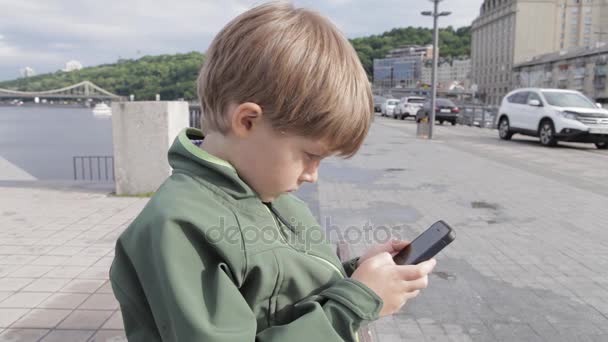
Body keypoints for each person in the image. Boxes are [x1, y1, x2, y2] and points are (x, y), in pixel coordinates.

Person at [109, 2, 436, 341]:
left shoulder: (270, 194)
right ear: (248, 121)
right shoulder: (178, 229)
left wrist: (359, 277)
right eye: (310, 155)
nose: (313, 175)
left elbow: (283, 297)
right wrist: (356, 304)